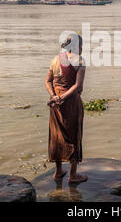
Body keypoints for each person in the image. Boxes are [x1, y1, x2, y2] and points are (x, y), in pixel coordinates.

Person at [45, 33, 87, 183]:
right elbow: (78, 86)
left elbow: (48, 81)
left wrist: (54, 96)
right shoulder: (79, 60)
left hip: (55, 104)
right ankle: (73, 175)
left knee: (57, 136)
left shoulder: (56, 59)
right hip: (70, 103)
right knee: (73, 134)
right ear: (77, 46)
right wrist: (63, 98)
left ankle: (58, 171)